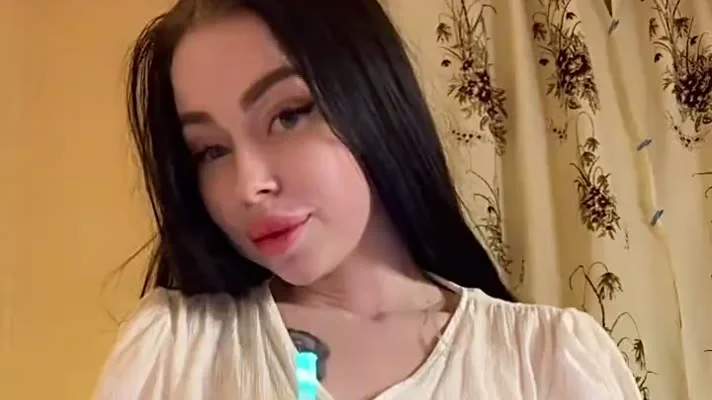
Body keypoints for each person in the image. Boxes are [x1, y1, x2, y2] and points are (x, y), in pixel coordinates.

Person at [93, 0, 642, 399]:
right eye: (211, 150)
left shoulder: (543, 360)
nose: (246, 185)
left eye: (288, 116)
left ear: (370, 98)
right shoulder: (175, 353)